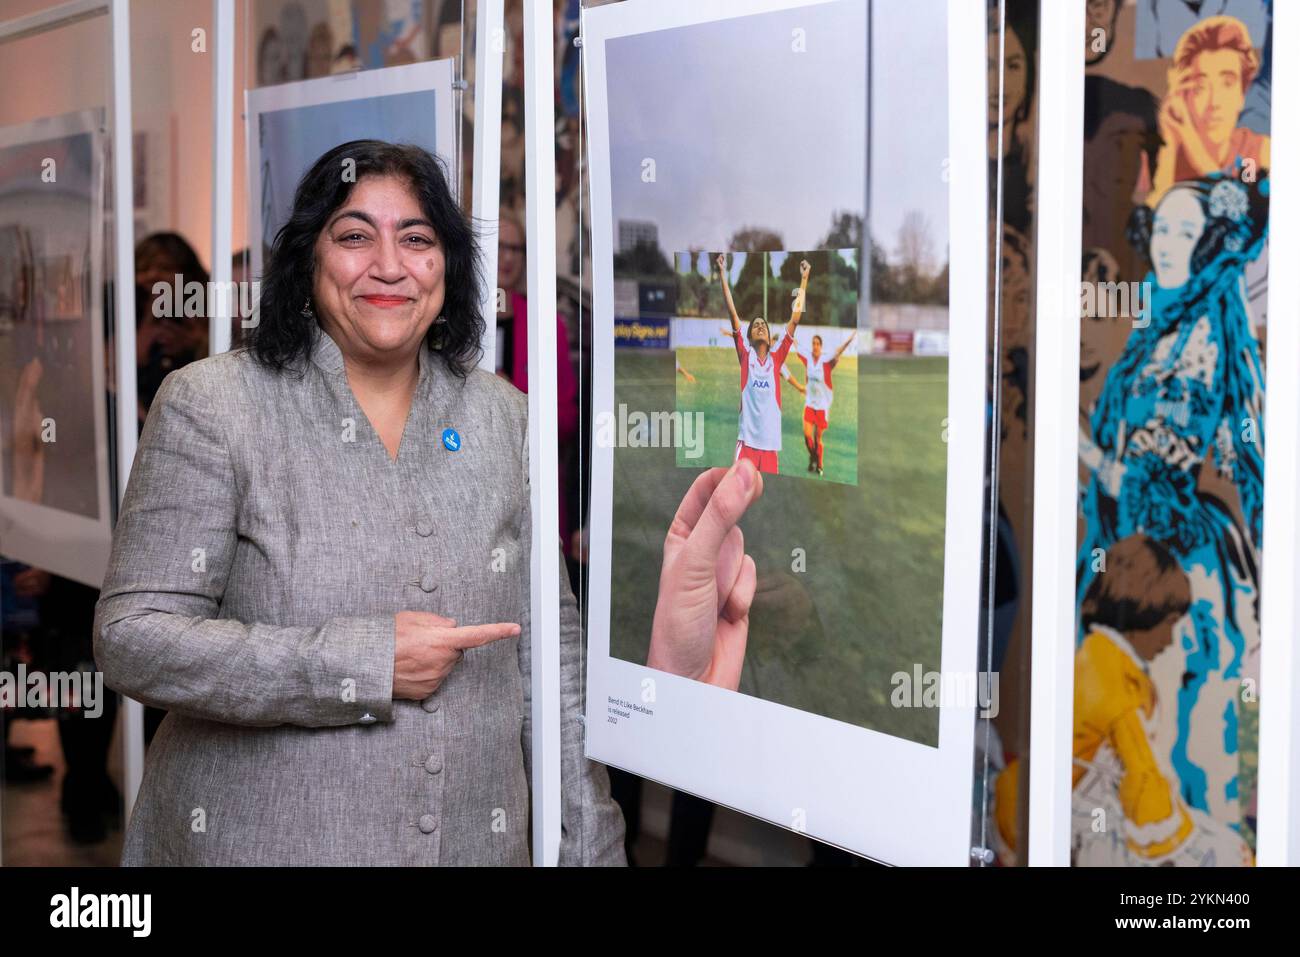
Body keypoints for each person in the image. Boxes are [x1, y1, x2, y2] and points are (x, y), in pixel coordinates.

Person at [93, 140, 625, 865]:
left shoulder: (507, 419)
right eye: (353, 236)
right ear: (308, 259)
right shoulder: (214, 406)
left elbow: (551, 662)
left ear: (447, 265)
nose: (388, 265)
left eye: (417, 238)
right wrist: (360, 660)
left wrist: (592, 842)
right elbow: (132, 637)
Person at [1077, 174, 1266, 845]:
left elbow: (1161, 472)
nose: (1167, 243)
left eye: (1187, 231)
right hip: (1135, 553)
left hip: (1176, 563)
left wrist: (1090, 455)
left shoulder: (1203, 333)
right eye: (1161, 228)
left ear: (1210, 241)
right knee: (1130, 743)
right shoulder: (1161, 321)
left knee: (1174, 733)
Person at [994, 535, 1251, 865]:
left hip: (1044, 799)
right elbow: (1143, 778)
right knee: (1226, 852)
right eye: (1171, 625)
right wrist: (1193, 845)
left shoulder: (1101, 654)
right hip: (1039, 816)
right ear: (1146, 611)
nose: (1171, 641)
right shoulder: (1113, 677)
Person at [1149, 15, 1269, 205]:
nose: (1214, 102)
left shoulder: (1258, 150)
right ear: (1184, 95)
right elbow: (1155, 221)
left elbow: (1237, 214)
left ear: (1243, 91)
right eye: (1200, 88)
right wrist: (1172, 142)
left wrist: (1190, 139)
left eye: (1227, 83)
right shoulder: (1168, 150)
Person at [717, 253, 809, 475]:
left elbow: (795, 318)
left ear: (769, 338)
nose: (760, 326)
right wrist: (722, 273)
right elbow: (732, 313)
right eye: (755, 325)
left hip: (770, 449)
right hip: (746, 445)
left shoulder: (777, 358)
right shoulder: (745, 355)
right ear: (748, 338)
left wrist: (804, 279)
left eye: (763, 325)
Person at [793, 331, 855, 477]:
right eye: (813, 344)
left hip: (822, 406)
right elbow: (796, 345)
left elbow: (839, 351)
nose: (815, 346)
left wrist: (850, 339)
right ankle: (813, 457)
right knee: (807, 436)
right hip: (809, 403)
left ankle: (819, 464)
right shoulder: (807, 359)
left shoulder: (826, 361)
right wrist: (788, 331)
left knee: (817, 438)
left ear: (821, 346)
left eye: (817, 344)